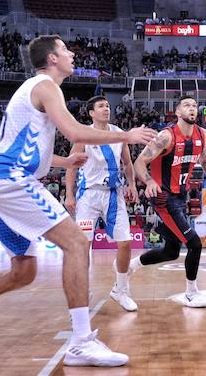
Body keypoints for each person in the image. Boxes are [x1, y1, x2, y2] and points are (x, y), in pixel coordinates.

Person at [0, 35, 156, 367]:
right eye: (66, 50)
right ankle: (81, 342)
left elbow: (27, 145)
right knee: (77, 244)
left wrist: (65, 163)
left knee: (22, 271)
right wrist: (126, 135)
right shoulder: (45, 86)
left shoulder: (34, 91)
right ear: (52, 58)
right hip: (12, 181)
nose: (71, 55)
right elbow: (76, 132)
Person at [127, 95, 206, 307]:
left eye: (195, 105)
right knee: (194, 243)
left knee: (171, 251)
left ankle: (131, 266)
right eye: (187, 105)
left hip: (180, 196)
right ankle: (191, 293)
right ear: (177, 112)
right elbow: (139, 162)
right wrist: (148, 181)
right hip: (163, 197)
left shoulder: (202, 134)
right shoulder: (166, 137)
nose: (192, 109)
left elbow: (204, 162)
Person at [64, 95, 139, 312]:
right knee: (83, 246)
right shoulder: (83, 136)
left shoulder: (119, 135)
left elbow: (127, 163)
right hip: (89, 196)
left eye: (107, 105)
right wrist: (69, 194)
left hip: (114, 194)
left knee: (125, 242)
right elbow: (72, 167)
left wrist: (132, 184)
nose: (106, 109)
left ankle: (121, 290)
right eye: (101, 106)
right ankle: (82, 291)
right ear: (91, 113)